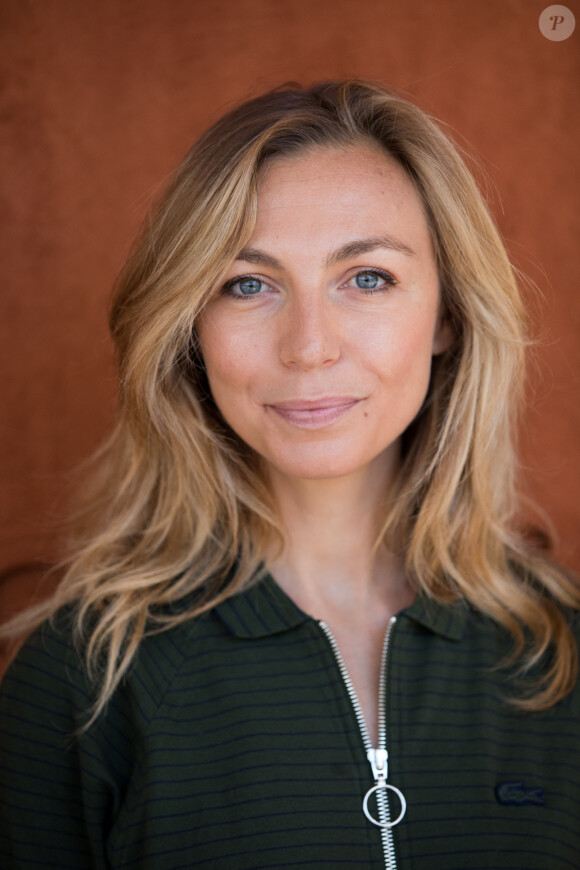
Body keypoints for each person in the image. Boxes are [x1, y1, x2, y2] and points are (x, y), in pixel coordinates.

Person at [0, 80, 579, 870]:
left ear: (447, 314)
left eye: (367, 277)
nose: (309, 347)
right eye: (248, 284)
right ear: (190, 330)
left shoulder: (562, 654)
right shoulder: (87, 677)